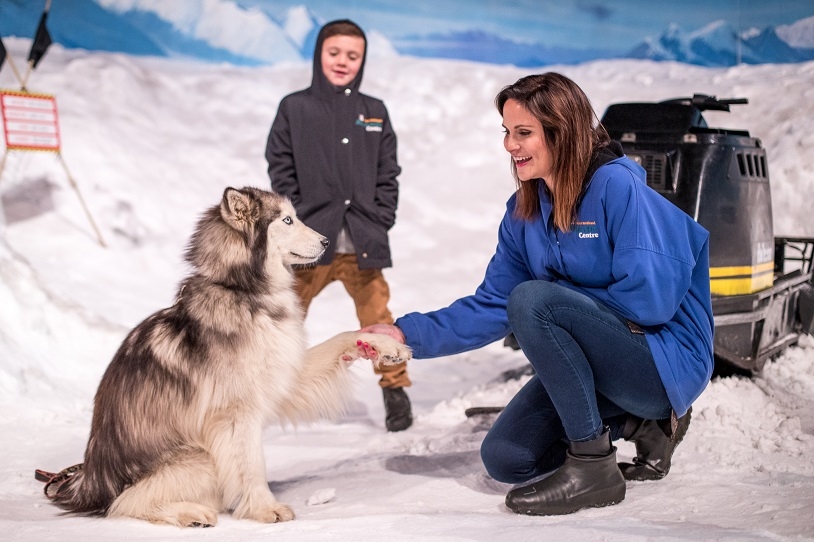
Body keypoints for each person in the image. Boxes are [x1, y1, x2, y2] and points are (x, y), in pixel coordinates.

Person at [361, 72, 714, 514]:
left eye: (523, 133)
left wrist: (554, 299)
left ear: (561, 133)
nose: (510, 145)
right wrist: (404, 335)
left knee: (533, 300)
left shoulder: (616, 186)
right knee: (507, 458)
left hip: (663, 361)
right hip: (603, 358)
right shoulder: (523, 210)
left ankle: (593, 465)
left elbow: (651, 302)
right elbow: (494, 303)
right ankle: (642, 425)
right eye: (507, 132)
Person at [265, 19, 412, 432]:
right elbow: (280, 164)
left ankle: (395, 388)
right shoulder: (295, 107)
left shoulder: (374, 112)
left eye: (353, 55)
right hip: (310, 245)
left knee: (379, 317)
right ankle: (270, 387)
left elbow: (389, 170)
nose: (343, 62)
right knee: (286, 318)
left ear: (362, 61)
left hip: (363, 243)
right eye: (335, 53)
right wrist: (299, 219)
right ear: (319, 55)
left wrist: (383, 214)